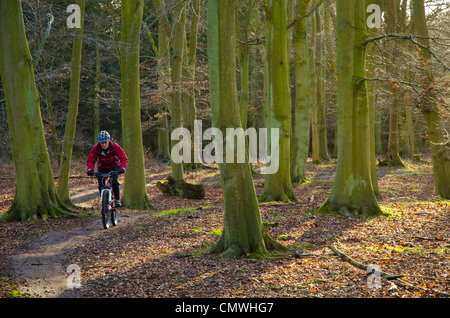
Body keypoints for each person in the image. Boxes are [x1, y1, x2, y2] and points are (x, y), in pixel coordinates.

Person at [86, 130, 128, 207]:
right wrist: (90, 169)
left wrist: (122, 168)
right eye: (102, 143)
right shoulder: (96, 148)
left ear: (109, 140)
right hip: (103, 166)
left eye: (105, 142)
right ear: (99, 142)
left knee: (114, 180)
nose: (104, 144)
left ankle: (117, 199)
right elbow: (91, 160)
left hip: (114, 165)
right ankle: (103, 201)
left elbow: (123, 158)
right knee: (100, 183)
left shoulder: (115, 147)